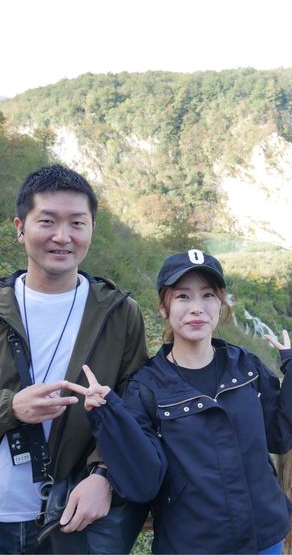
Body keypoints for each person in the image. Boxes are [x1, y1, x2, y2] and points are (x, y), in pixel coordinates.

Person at [67, 249, 292, 554]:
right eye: (183, 296)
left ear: (221, 304)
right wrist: (108, 414)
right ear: (163, 307)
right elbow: (144, 481)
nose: (197, 308)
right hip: (191, 543)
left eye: (208, 295)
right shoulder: (147, 387)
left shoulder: (245, 365)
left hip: (264, 537)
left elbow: (280, 436)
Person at [0, 164, 149, 554]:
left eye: (77, 223)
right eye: (47, 221)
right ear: (20, 227)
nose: (62, 237)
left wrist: (104, 474)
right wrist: (10, 407)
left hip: (68, 520)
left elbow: (136, 406)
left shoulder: (119, 313)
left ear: (92, 229)